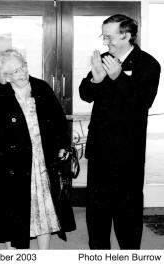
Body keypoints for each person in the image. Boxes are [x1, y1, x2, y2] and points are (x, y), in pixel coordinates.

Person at [0, 49, 75, 249]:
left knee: (44, 209)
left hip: (42, 159)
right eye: (17, 71)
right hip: (14, 162)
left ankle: (42, 255)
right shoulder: (0, 92)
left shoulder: (41, 87)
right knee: (12, 210)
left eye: (24, 66)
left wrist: (62, 146)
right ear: (7, 75)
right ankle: (13, 256)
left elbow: (59, 121)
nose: (24, 72)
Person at [79, 14, 161, 249]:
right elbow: (85, 94)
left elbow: (142, 102)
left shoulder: (148, 63)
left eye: (109, 36)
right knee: (97, 213)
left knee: (127, 212)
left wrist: (117, 78)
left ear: (126, 35)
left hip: (128, 153)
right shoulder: (104, 58)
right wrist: (95, 79)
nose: (105, 41)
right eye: (103, 36)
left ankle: (129, 259)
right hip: (99, 150)